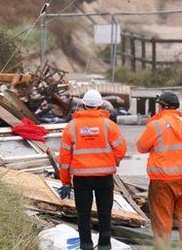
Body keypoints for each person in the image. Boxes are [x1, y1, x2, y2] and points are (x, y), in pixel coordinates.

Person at [136, 91, 182, 249]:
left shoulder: (156, 125)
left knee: (162, 223)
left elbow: (141, 147)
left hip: (162, 181)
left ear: (162, 107)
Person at [57, 89, 127, 250]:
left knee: (83, 214)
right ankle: (104, 245)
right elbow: (121, 149)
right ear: (101, 105)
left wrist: (66, 182)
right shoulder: (109, 125)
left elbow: (64, 159)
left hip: (82, 179)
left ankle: (86, 245)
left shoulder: (72, 126)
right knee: (104, 213)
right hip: (104, 177)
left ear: (82, 105)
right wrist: (113, 161)